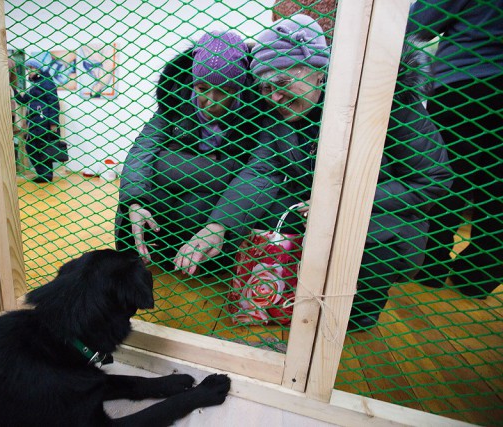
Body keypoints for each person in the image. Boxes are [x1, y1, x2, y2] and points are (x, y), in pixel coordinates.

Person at [175, 15, 453, 329]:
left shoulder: (389, 102)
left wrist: (341, 202)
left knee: (345, 322)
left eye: (281, 83)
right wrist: (219, 225)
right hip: (311, 215)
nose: (273, 96)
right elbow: (262, 171)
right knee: (270, 216)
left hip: (380, 227)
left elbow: (433, 180)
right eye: (265, 87)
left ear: (320, 72)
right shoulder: (278, 113)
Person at [115, 31, 265, 272]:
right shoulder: (175, 101)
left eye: (224, 90)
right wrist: (134, 202)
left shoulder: (257, 113)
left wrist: (165, 163)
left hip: (208, 220)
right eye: (202, 87)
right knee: (132, 206)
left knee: (197, 204)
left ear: (239, 88)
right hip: (165, 209)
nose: (210, 100)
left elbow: (257, 173)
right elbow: (141, 150)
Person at [406, 0, 503, 299]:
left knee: (446, 174)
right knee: (498, 188)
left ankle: (430, 263)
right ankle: (480, 274)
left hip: (466, 84)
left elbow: (419, 25)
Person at [13, 54, 63, 183]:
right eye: (28, 69)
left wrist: (53, 124)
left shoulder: (46, 82)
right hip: (34, 123)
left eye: (30, 69)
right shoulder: (35, 85)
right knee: (34, 147)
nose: (28, 72)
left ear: (38, 69)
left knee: (41, 147)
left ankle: (45, 175)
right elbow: (24, 100)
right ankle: (44, 174)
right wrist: (13, 89)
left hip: (43, 122)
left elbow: (53, 102)